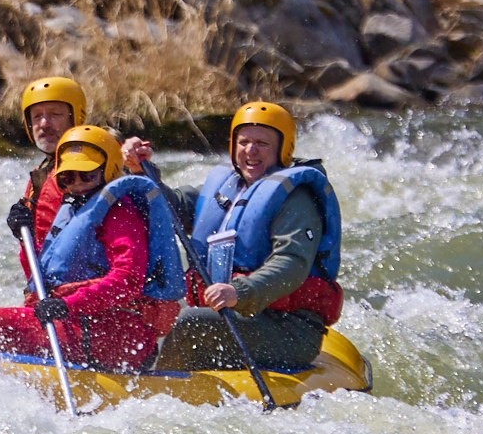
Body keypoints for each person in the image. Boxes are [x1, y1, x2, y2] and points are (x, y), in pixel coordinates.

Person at [129, 101, 344, 373]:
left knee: (189, 322)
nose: (250, 151)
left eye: (262, 144)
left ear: (283, 149)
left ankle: (157, 392)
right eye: (244, 142)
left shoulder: (296, 199)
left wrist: (238, 292)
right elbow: (172, 208)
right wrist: (142, 171)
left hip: (287, 329)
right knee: (149, 309)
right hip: (235, 316)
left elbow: (292, 263)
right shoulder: (229, 188)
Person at [0, 126, 185, 371]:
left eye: (87, 175)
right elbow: (41, 278)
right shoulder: (73, 209)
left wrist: (68, 306)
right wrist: (22, 236)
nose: (77, 183)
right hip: (83, 322)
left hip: (117, 332)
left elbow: (128, 281)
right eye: (67, 177)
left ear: (109, 169)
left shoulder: (121, 213)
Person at [3, 76, 88, 260]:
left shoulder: (92, 169)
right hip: (51, 284)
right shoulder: (42, 173)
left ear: (76, 117)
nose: (44, 124)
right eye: (37, 116)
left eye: (55, 115)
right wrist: (25, 233)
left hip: (85, 284)